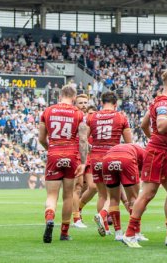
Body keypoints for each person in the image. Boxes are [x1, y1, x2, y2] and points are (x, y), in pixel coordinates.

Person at [122, 69, 167, 248]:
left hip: (164, 152)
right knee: (148, 194)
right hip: (157, 152)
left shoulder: (160, 101)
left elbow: (144, 124)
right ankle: (129, 234)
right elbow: (160, 126)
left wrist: (152, 138)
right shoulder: (163, 102)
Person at [39, 84, 88, 243]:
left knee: (52, 195)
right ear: (74, 98)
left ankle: (49, 218)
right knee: (68, 196)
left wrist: (50, 149)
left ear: (60, 95)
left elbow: (41, 138)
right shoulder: (78, 113)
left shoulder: (48, 111)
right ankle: (64, 232)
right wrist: (83, 162)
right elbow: (83, 140)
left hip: (54, 154)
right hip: (71, 157)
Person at [83, 91, 132, 237]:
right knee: (114, 196)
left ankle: (106, 227)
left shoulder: (92, 117)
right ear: (115, 104)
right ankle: (104, 216)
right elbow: (129, 143)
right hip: (112, 157)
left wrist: (91, 150)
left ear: (101, 103)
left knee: (102, 195)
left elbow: (83, 140)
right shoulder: (120, 117)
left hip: (95, 158)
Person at [102, 143, 146, 242]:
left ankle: (118, 234)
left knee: (113, 198)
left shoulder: (133, 147)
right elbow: (143, 174)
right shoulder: (145, 154)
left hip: (107, 159)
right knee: (134, 199)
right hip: (126, 159)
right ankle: (135, 233)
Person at [71, 93, 89, 228]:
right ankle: (76, 218)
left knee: (87, 186)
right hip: (76, 155)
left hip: (86, 154)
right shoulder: (77, 117)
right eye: (80, 102)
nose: (83, 105)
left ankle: (77, 211)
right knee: (77, 187)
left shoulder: (87, 118)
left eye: (85, 102)